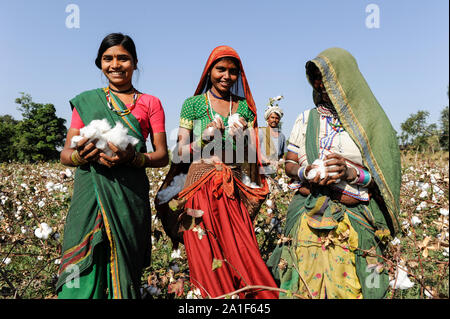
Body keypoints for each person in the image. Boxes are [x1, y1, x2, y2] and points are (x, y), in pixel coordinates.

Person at [267, 48, 401, 299]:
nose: (320, 84)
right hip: (309, 208)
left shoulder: (370, 124)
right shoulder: (305, 119)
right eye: (316, 78)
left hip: (353, 212)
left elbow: (382, 176)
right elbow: (289, 164)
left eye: (326, 77)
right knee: (302, 278)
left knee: (357, 280)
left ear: (346, 79)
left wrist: (350, 173)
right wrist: (306, 172)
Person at [156, 46, 278, 299]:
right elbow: (179, 152)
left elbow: (254, 157)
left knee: (242, 249)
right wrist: (204, 138)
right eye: (220, 69)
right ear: (209, 71)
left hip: (232, 186)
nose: (226, 76)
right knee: (204, 250)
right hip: (200, 185)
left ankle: (246, 296)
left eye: (233, 72)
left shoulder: (243, 108)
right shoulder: (193, 105)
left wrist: (244, 138)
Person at [57, 33, 168, 299]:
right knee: (81, 260)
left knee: (124, 266)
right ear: (100, 63)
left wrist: (133, 159)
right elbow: (65, 154)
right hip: (90, 192)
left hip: (128, 195)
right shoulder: (86, 101)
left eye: (123, 58)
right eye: (108, 59)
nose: (115, 65)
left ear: (135, 62)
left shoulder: (150, 103)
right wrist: (83, 156)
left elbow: (162, 155)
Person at [259, 103, 286, 177]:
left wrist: (281, 166)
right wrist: (267, 161)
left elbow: (282, 155)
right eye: (272, 117)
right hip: (262, 171)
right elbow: (255, 150)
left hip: (275, 173)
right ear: (268, 119)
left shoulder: (282, 136)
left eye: (277, 118)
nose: (274, 120)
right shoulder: (261, 132)